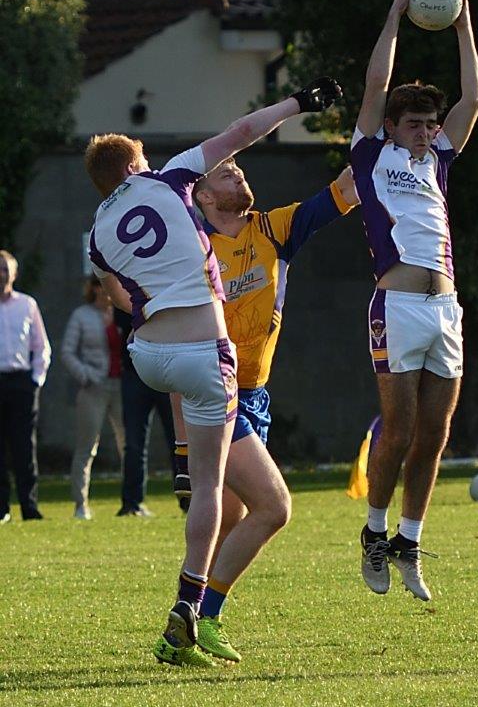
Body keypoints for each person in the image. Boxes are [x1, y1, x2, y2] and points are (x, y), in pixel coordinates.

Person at [85, 76, 342, 667]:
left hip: (147, 354)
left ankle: (184, 463)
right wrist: (301, 102)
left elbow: (119, 298)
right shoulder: (171, 176)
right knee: (216, 491)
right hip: (205, 354)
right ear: (134, 166)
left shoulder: (98, 233)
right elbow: (243, 132)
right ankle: (187, 608)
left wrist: (153, 303)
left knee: (243, 493)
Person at [171, 161, 358, 662]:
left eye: (240, 170)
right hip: (215, 395)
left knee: (228, 520)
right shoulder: (192, 250)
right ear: (204, 197)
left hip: (253, 394)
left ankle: (177, 632)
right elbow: (178, 347)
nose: (239, 177)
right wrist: (183, 446)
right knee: (274, 507)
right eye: (225, 175)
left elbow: (346, 188)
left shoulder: (273, 228)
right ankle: (205, 617)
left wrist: (379, 136)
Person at [351, 0, 478, 600]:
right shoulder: (373, 154)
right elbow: (377, 83)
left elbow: (475, 96)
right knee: (397, 429)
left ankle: (408, 540)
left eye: (431, 123)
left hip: (444, 308)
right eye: (414, 123)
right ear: (393, 125)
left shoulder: (439, 160)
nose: (425, 130)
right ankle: (373, 532)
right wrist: (396, 14)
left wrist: (462, 23)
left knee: (435, 435)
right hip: (397, 305)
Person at [62, 276, 125, 520]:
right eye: (98, 287)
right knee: (86, 447)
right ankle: (81, 505)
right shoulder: (81, 315)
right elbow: (67, 352)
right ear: (92, 289)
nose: (104, 292)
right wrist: (86, 375)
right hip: (93, 388)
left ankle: (132, 501)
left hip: (121, 386)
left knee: (128, 446)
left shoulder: (123, 312)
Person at [0, 250, 51, 523]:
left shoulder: (27, 305)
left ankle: (29, 508)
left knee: (24, 447)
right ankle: (1, 509)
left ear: (14, 274)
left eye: (5, 269)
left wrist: (35, 381)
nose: (1, 275)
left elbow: (41, 347)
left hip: (21, 382)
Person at [114, 308, 180, 517]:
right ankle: (132, 503)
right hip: (135, 374)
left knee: (179, 440)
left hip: (168, 370)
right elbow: (124, 318)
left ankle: (188, 500)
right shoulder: (129, 287)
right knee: (134, 443)